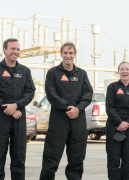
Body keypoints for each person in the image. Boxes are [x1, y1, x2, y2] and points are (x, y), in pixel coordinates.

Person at [39, 42, 93, 180]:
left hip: (78, 121)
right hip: (59, 120)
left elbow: (88, 94)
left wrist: (78, 108)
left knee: (77, 158)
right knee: (51, 157)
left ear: (74, 55)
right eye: (65, 53)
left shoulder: (81, 74)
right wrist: (67, 107)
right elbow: (51, 94)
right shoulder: (53, 73)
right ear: (61, 54)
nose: (68, 56)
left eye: (70, 53)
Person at [0, 38, 36, 180]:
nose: (16, 52)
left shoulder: (25, 71)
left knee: (19, 160)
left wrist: (17, 105)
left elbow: (30, 92)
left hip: (19, 119)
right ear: (5, 50)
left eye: (18, 49)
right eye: (13, 48)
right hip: (1, 118)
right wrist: (11, 109)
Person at [105, 62, 129, 180]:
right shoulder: (112, 87)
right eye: (122, 69)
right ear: (118, 72)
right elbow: (109, 107)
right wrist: (119, 122)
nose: (124, 71)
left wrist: (127, 123)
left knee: (128, 159)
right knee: (113, 159)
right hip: (113, 127)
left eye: (127, 69)